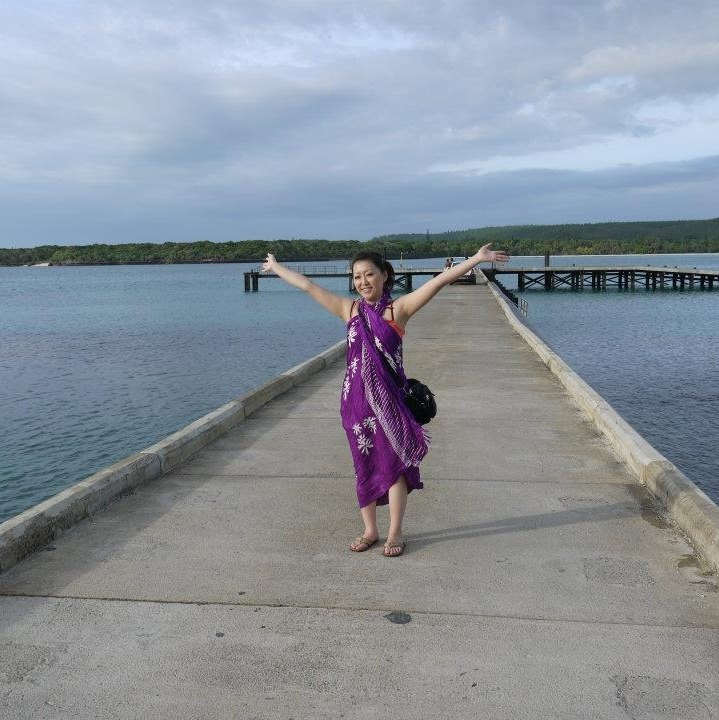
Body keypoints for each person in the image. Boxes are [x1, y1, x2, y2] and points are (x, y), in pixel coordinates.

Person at [261, 244, 510, 557]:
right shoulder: (349, 311)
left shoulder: (398, 310)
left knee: (394, 467)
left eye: (369, 275)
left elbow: (439, 282)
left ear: (384, 276)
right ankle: (370, 530)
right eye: (357, 277)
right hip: (355, 406)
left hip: (390, 405)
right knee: (363, 465)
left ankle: (395, 532)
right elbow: (309, 286)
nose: (363, 282)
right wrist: (276, 266)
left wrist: (476, 259)